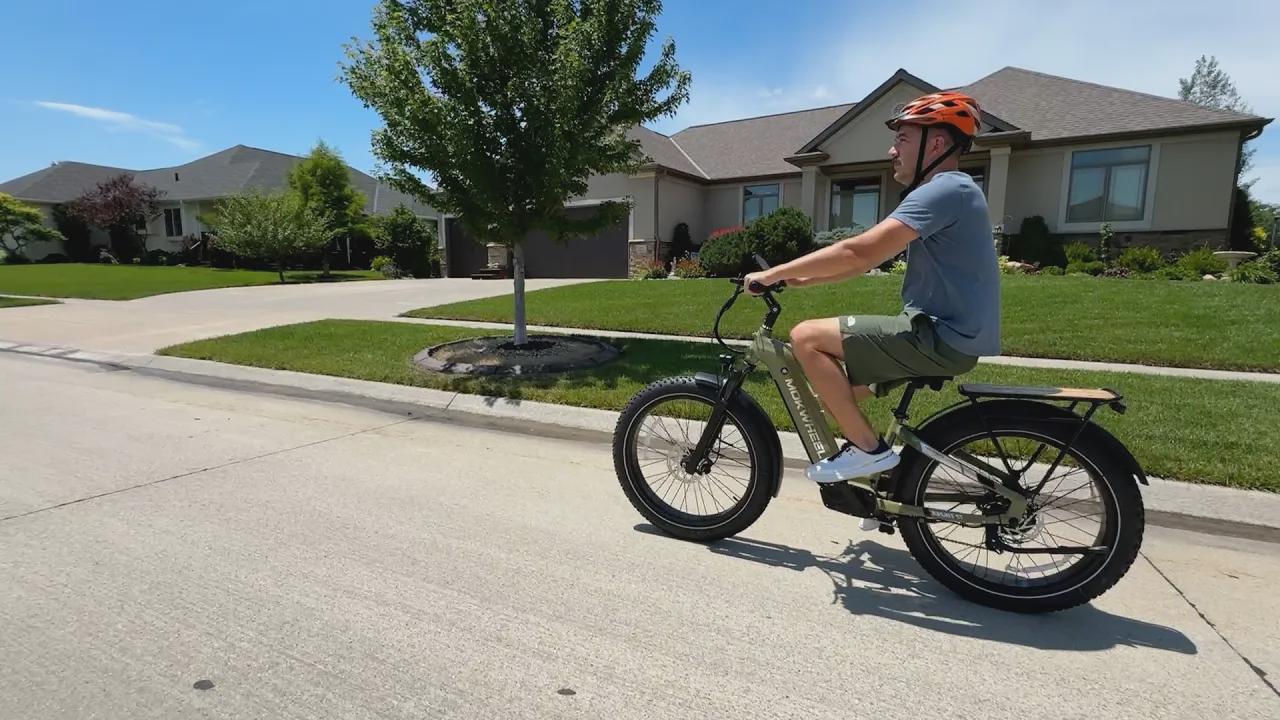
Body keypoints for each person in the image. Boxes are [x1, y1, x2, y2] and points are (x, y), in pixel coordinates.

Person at [743, 91, 1000, 487]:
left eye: (902, 139)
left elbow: (858, 251)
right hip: (945, 335)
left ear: (936, 144)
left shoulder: (946, 190)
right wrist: (805, 278)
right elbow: (864, 260)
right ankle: (880, 485)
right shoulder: (955, 191)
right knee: (835, 391)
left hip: (940, 337)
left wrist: (774, 272)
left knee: (806, 338)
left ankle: (869, 451)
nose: (892, 150)